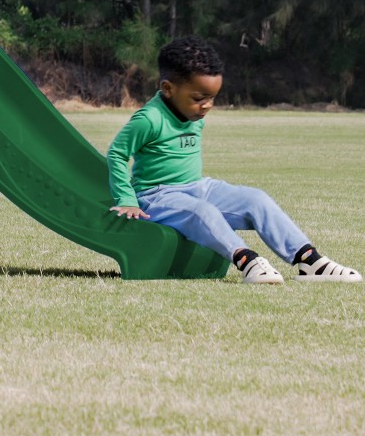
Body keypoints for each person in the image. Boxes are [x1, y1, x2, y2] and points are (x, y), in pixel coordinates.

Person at [107, 36, 360, 285]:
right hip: (156, 197)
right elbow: (117, 154)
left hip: (196, 188)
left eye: (212, 98)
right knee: (203, 212)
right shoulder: (149, 119)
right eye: (199, 98)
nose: (207, 106)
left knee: (256, 199)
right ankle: (247, 261)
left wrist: (196, 103)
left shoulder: (191, 111)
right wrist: (127, 199)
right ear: (168, 89)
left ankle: (309, 261)